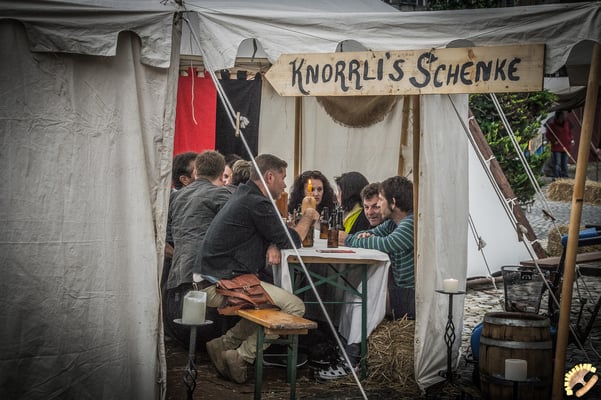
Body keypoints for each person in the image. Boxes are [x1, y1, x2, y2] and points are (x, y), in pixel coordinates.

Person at [197, 154, 319, 384]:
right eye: (283, 178)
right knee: (295, 306)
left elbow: (274, 234)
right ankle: (242, 356)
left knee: (271, 304)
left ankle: (223, 344)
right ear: (269, 176)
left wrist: (273, 242)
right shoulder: (257, 202)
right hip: (221, 283)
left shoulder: (245, 195)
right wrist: (308, 216)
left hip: (213, 276)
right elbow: (292, 240)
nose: (285, 185)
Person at [164, 150, 232, 347]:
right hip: (205, 276)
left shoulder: (176, 197)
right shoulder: (221, 194)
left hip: (177, 274)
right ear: (221, 173)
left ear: (196, 172)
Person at [345, 176, 415, 320]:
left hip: (412, 294)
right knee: (357, 294)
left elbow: (386, 243)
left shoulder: (411, 223)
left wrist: (348, 239)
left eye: (381, 200)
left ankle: (356, 336)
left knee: (364, 301)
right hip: (400, 289)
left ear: (393, 202)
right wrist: (362, 237)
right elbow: (369, 234)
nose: (379, 204)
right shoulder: (392, 223)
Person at [545, 110, 573, 179]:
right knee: (557, 163)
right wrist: (554, 141)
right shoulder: (552, 125)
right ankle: (556, 177)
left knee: (564, 163)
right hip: (557, 147)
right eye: (562, 116)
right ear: (558, 116)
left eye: (563, 116)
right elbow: (548, 135)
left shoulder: (567, 123)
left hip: (566, 146)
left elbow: (569, 133)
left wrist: (571, 140)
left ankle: (565, 176)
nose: (563, 117)